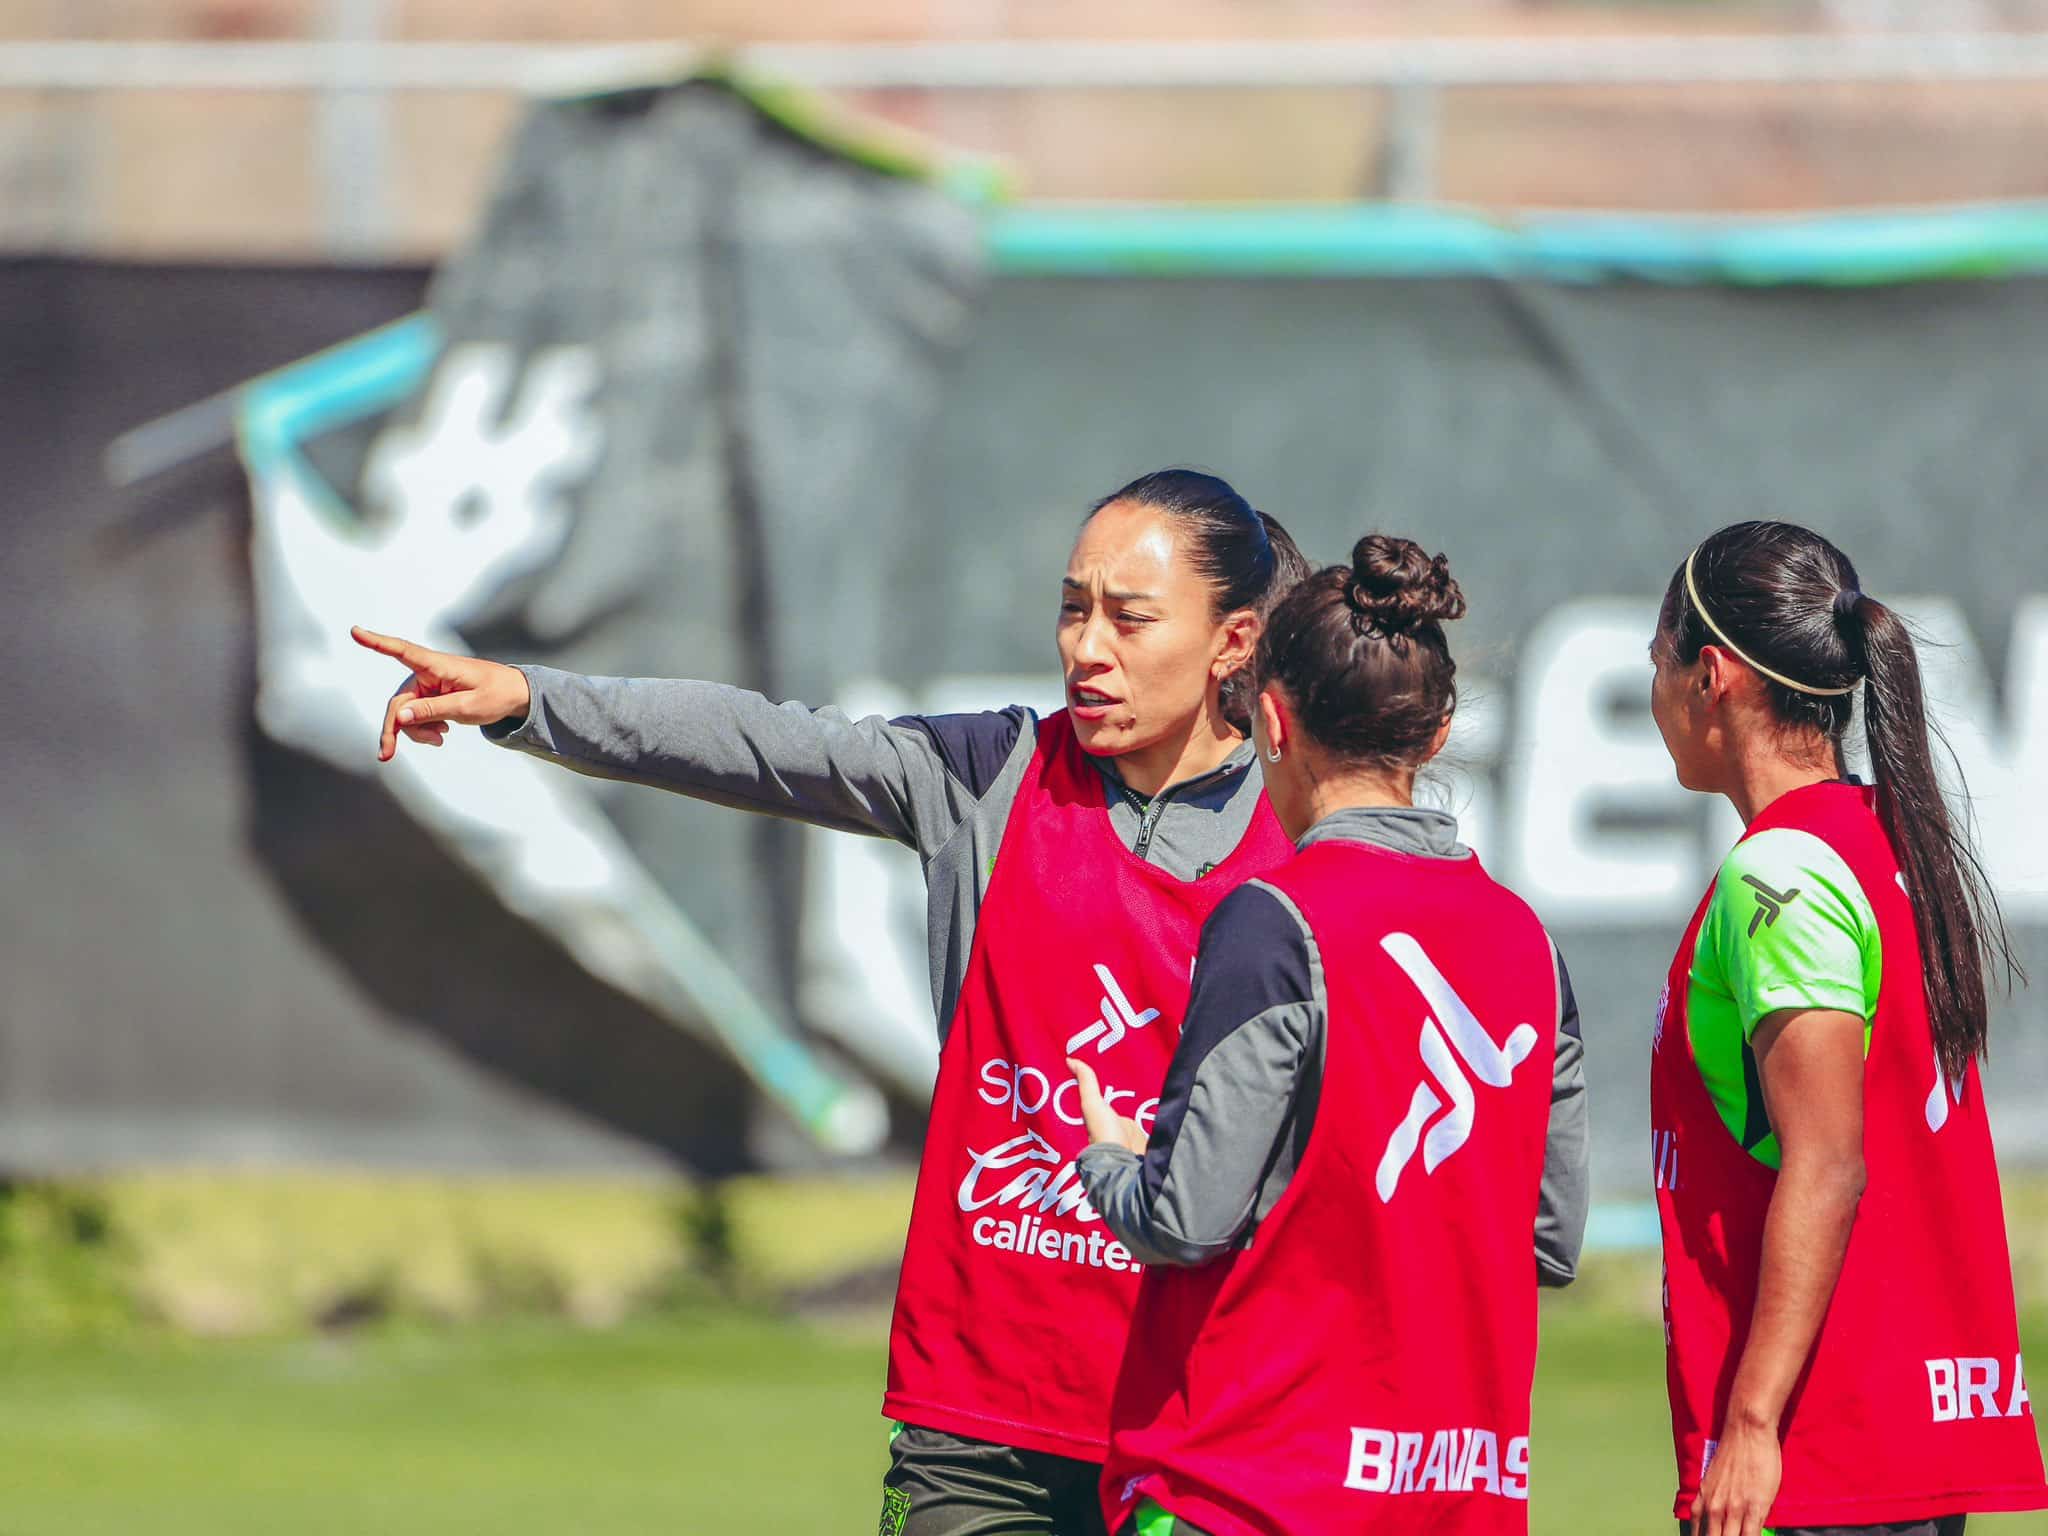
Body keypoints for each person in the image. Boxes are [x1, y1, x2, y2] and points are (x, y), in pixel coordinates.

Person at [353, 468, 1308, 1535]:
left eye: (1129, 619)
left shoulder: (1308, 849)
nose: (1087, 648)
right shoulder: (990, 777)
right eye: (1072, 608)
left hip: (1193, 1428)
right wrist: (533, 703)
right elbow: (766, 743)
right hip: (976, 1424)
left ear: (1232, 641)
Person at [1069, 534, 1590, 1536]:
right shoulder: (1524, 942)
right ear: (1435, 735)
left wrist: (1108, 1160)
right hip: (1457, 1499)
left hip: (1249, 1492)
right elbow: (1549, 1237)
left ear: (1269, 718)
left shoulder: (1273, 920)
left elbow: (1181, 1214)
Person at [1645, 521, 2047, 1536]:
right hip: (1894, 1431)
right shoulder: (1878, 835)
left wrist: (1747, 1421)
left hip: (1825, 1445)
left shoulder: (1779, 870)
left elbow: (1825, 1163)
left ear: (1710, 677)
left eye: (1654, 664)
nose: (1651, 696)